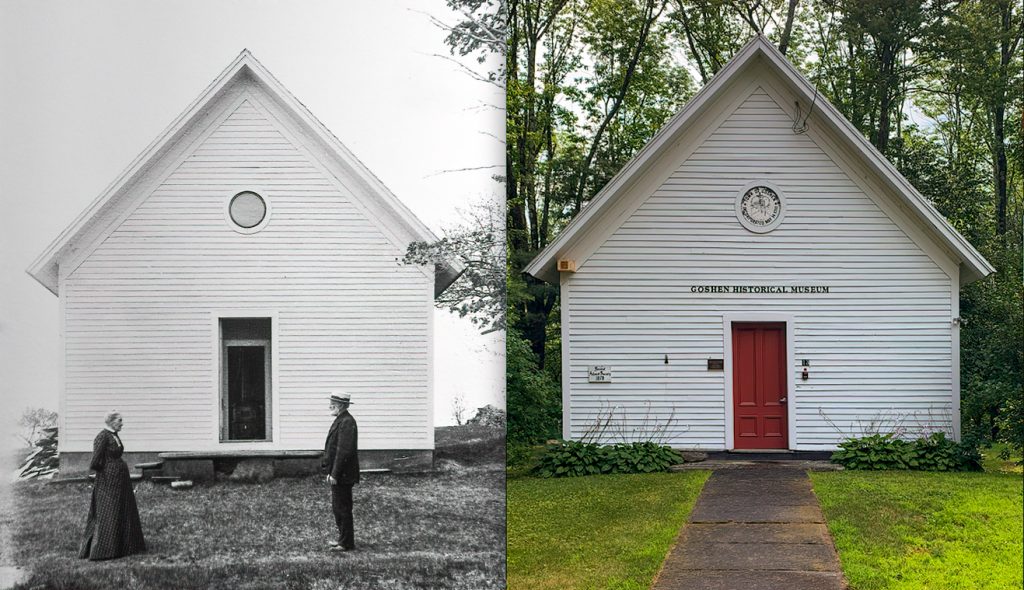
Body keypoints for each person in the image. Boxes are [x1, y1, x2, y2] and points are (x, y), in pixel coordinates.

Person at [79, 411, 146, 560]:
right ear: (111, 421)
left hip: (120, 480)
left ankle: (124, 547)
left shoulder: (114, 435)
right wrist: (107, 471)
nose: (122, 423)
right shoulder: (102, 436)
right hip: (108, 480)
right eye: (119, 421)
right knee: (110, 510)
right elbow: (95, 461)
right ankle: (105, 550)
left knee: (122, 509)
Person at [322, 391, 359, 552]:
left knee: (342, 508)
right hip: (340, 473)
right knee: (339, 508)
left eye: (334, 404)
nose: (330, 406)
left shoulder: (347, 422)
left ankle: (346, 543)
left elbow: (344, 451)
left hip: (343, 475)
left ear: (342, 406)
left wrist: (335, 474)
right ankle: (343, 539)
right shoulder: (342, 420)